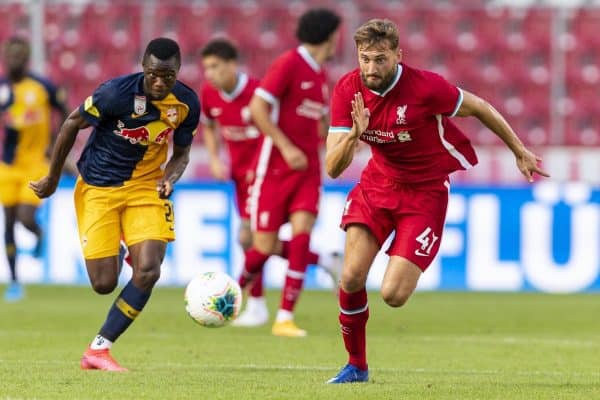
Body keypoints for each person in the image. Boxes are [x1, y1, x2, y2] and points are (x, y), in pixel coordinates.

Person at [325, 19, 550, 383]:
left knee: (393, 294)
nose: (371, 68)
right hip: (377, 187)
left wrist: (519, 150)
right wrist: (354, 134)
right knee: (350, 276)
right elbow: (333, 168)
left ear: (398, 55)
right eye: (365, 59)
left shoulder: (427, 88)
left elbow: (479, 107)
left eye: (380, 59)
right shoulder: (348, 90)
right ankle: (356, 366)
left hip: (425, 193)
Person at [29, 37, 200, 371]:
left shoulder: (187, 104)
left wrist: (171, 176)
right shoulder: (114, 94)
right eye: (153, 74)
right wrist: (51, 178)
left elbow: (181, 152)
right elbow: (71, 124)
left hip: (146, 188)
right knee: (104, 283)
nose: (160, 82)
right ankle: (126, 242)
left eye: (167, 75)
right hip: (98, 188)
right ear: (143, 67)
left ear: (178, 71)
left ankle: (99, 349)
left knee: (149, 269)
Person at [200, 38, 340, 328]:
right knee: (258, 241)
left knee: (249, 238)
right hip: (240, 177)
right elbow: (211, 127)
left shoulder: (257, 92)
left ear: (232, 64)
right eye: (206, 68)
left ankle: (255, 304)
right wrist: (215, 158)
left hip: (266, 174)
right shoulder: (209, 94)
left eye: (215, 67)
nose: (210, 74)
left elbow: (271, 129)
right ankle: (324, 260)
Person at [236, 8, 342, 337]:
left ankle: (284, 318)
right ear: (329, 35)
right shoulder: (288, 63)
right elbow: (257, 108)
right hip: (276, 169)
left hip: (308, 171)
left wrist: (345, 138)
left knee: (300, 235)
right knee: (263, 246)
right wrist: (286, 147)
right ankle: (230, 293)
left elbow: (322, 123)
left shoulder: (321, 74)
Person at [0, 36, 69, 302]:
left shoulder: (42, 87)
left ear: (26, 59)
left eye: (19, 56)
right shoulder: (3, 89)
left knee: (25, 218)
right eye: (10, 56)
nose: (14, 60)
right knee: (7, 224)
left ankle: (38, 233)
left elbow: (64, 111)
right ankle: (15, 282)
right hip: (8, 166)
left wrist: (55, 143)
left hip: (36, 163)